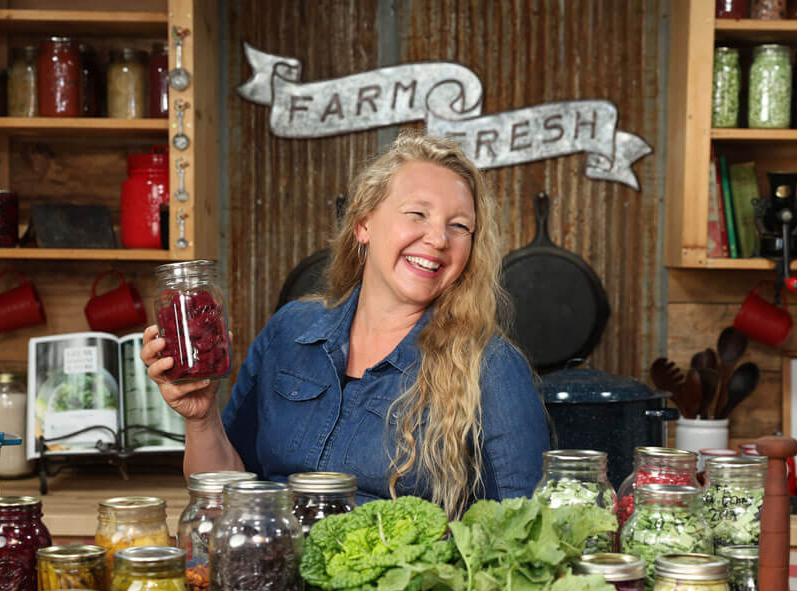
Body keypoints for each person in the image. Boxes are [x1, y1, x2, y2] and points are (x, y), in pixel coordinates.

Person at [141, 130, 549, 514]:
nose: (439, 239)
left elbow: (518, 531)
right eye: (417, 214)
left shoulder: (491, 367)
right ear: (364, 224)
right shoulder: (290, 332)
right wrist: (201, 418)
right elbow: (225, 496)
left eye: (459, 226)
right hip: (266, 575)